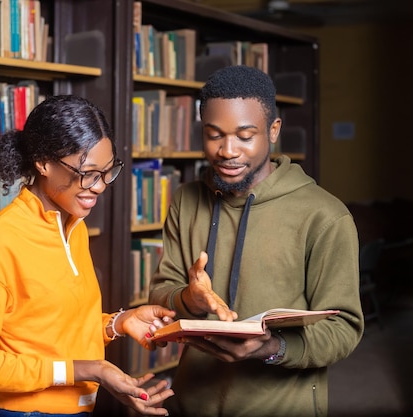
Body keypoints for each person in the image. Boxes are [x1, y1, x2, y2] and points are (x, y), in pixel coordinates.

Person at [148, 65, 364, 417]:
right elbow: (160, 293)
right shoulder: (185, 200)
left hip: (282, 406)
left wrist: (271, 347)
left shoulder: (325, 216)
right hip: (192, 400)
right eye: (214, 134)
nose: (227, 150)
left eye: (245, 136)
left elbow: (344, 327)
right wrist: (190, 297)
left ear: (273, 130)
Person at [0, 94, 176, 417]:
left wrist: (120, 322)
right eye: (88, 173)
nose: (99, 187)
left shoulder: (76, 228)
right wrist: (88, 370)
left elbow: (54, 329)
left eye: (107, 172)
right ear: (44, 163)